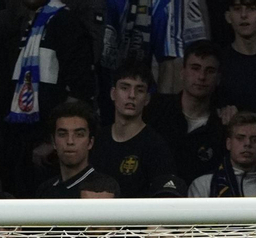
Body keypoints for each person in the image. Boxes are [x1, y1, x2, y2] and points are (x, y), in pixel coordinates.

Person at [1, 0, 96, 196]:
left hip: (50, 155)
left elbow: (80, 91)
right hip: (19, 147)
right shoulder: (15, 24)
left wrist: (51, 142)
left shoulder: (66, 22)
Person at [91, 62, 178, 199]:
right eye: (125, 88)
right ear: (113, 93)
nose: (132, 95)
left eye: (140, 90)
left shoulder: (156, 147)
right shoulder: (98, 140)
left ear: (147, 99)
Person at [149, 40, 226, 185]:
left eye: (209, 71)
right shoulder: (154, 109)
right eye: (195, 68)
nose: (201, 77)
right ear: (182, 72)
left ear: (218, 79)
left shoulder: (222, 125)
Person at [188, 112, 256, 197]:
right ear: (229, 143)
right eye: (240, 138)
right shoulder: (203, 186)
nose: (247, 143)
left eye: (255, 139)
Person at [36, 100, 104, 197]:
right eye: (62, 134)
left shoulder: (103, 188)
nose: (70, 141)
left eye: (79, 134)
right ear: (53, 142)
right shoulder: (45, 190)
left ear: (90, 142)